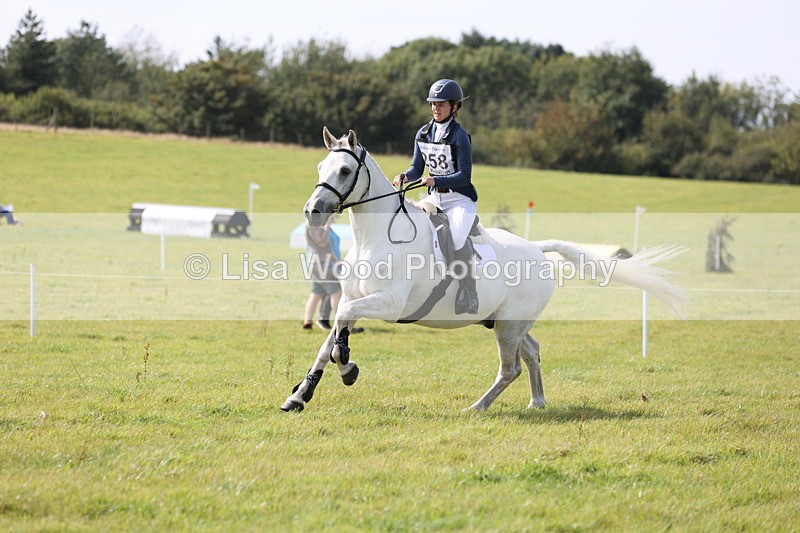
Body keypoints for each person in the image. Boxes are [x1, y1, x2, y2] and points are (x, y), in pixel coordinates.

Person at [393, 78, 479, 314]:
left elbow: (465, 176)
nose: (435, 108)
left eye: (441, 104)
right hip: (434, 199)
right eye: (433, 104)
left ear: (455, 107)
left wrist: (436, 180)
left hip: (460, 200)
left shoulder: (460, 136)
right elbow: (416, 168)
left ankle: (469, 293)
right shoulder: (423, 133)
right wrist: (405, 176)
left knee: (458, 239)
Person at [303, 218, 342, 330]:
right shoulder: (312, 225)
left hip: (323, 264)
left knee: (316, 293)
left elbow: (328, 249)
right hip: (321, 265)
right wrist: (327, 226)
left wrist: (338, 263)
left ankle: (307, 323)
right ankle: (340, 325)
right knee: (336, 293)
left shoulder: (319, 225)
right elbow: (322, 242)